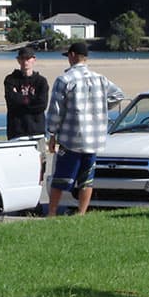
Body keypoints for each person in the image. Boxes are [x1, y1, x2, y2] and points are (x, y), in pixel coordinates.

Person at [45, 42, 124, 216]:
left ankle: (51, 212)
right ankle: (81, 212)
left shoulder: (64, 79)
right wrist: (101, 107)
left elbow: (56, 111)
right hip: (94, 138)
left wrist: (51, 133)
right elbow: (119, 95)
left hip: (71, 137)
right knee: (87, 179)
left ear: (72, 55)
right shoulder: (100, 78)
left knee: (60, 178)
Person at [3, 47, 48, 140]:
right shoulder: (11, 80)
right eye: (22, 58)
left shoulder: (41, 81)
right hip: (16, 130)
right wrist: (32, 100)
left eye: (28, 58)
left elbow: (42, 105)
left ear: (34, 60)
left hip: (37, 130)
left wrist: (20, 98)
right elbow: (11, 102)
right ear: (18, 60)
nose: (25, 61)